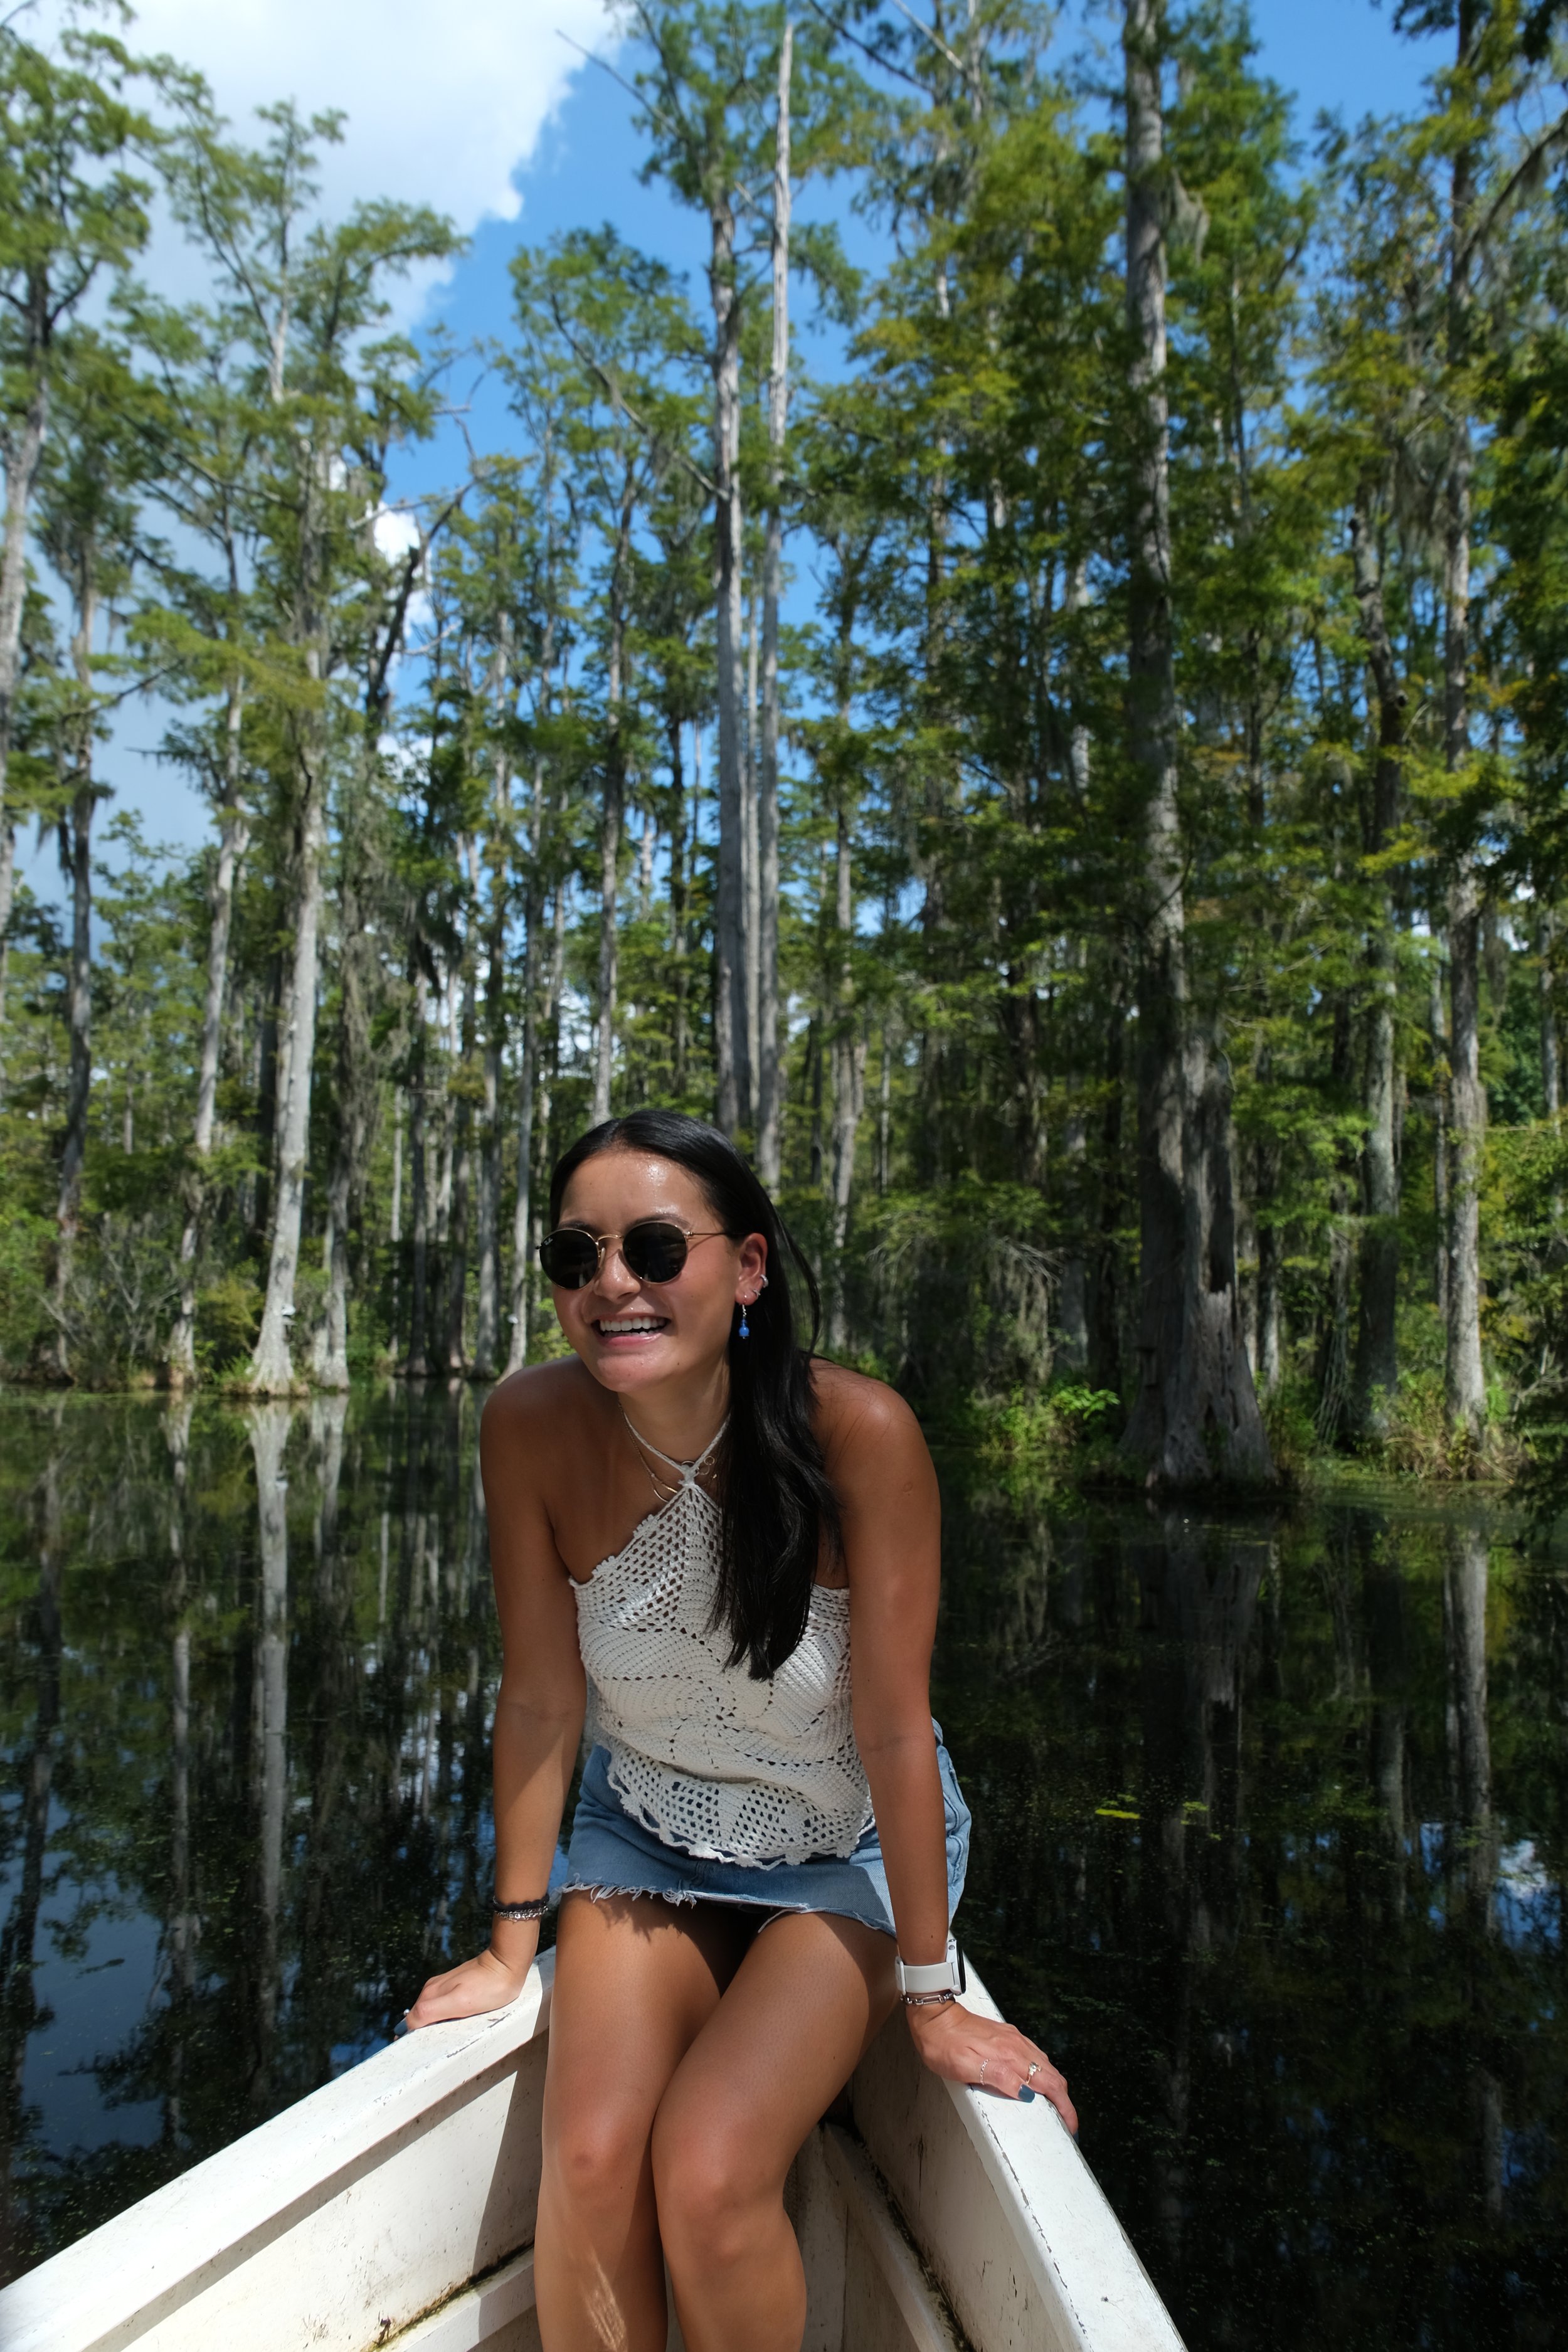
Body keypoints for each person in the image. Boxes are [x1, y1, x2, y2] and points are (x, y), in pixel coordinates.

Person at [408, 1108, 1074, 2352]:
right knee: (591, 2159)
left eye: (655, 1249)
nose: (613, 1283)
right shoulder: (527, 1425)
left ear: (747, 1267)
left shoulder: (859, 1435)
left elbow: (894, 1732)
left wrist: (933, 1998)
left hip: (840, 1843)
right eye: (577, 1257)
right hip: (643, 1829)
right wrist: (509, 1943)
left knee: (710, 2171)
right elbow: (543, 1698)